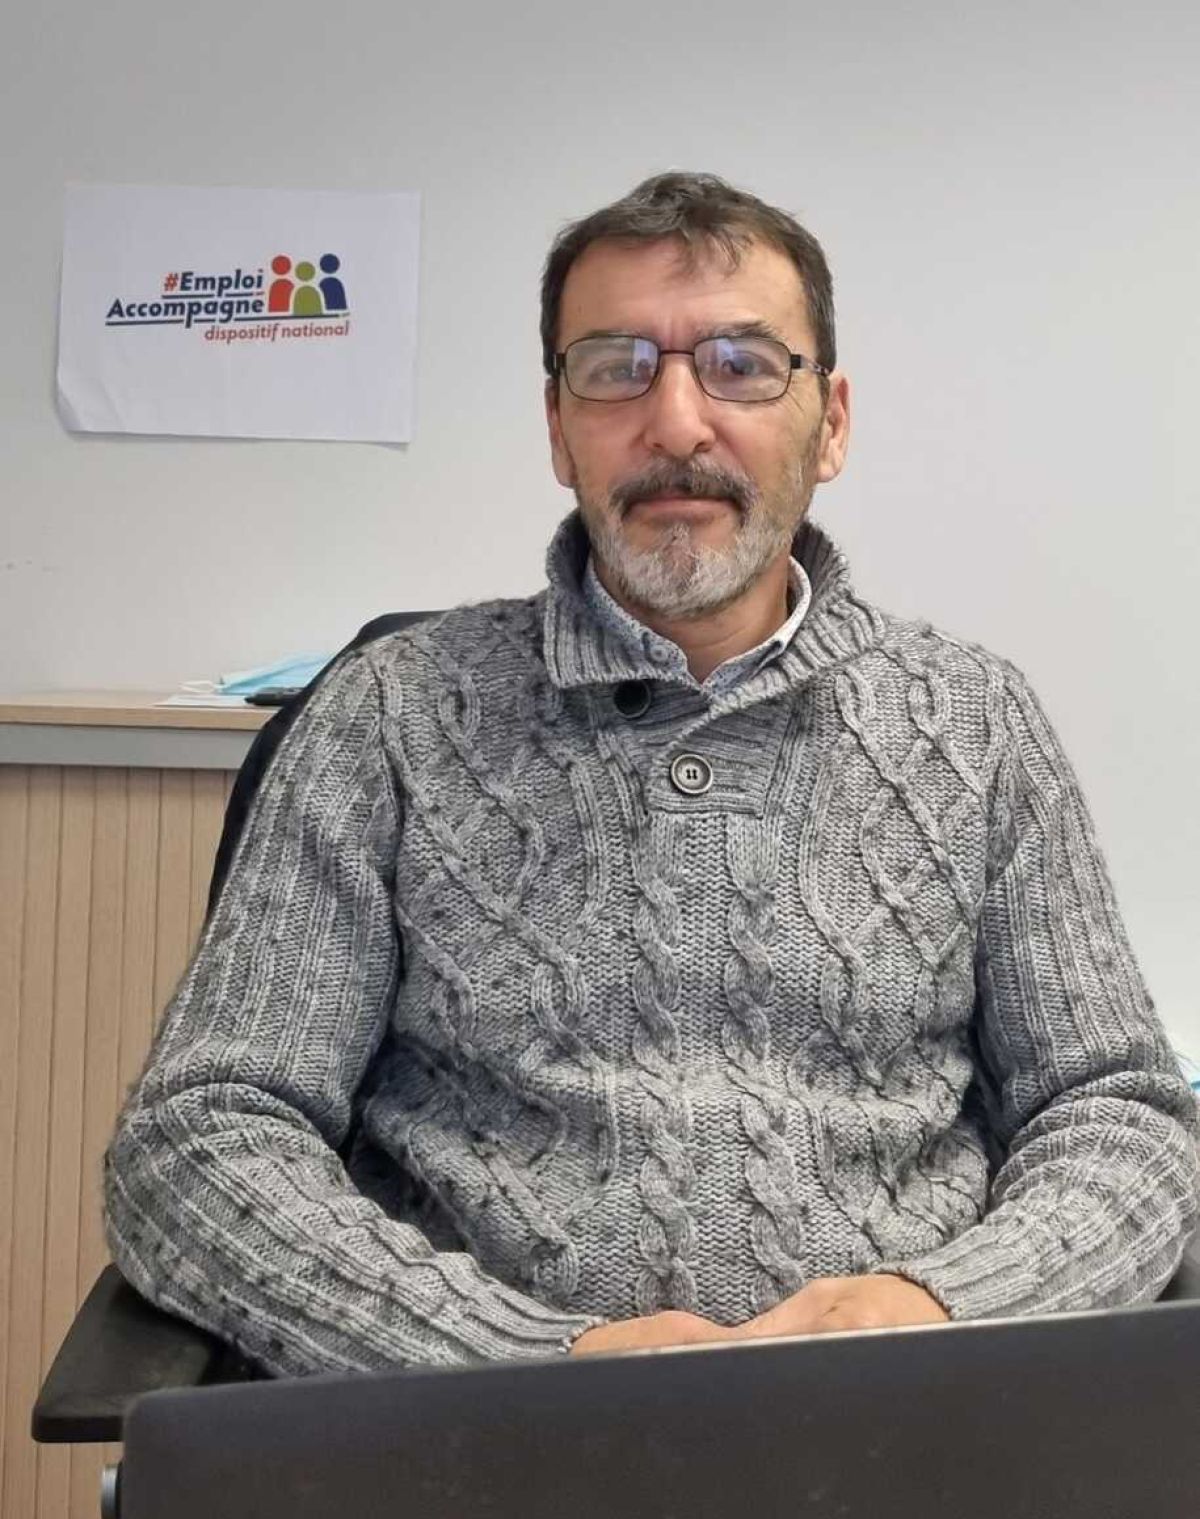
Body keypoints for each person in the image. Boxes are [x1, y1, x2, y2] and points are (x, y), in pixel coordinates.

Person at [104, 172, 1199, 1372]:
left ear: (831, 422)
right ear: (557, 425)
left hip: (910, 1425)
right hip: (485, 1442)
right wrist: (521, 1360)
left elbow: (1123, 1116)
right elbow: (199, 1142)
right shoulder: (389, 714)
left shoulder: (976, 721)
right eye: (616, 367)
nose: (677, 423)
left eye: (742, 365)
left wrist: (940, 1309)